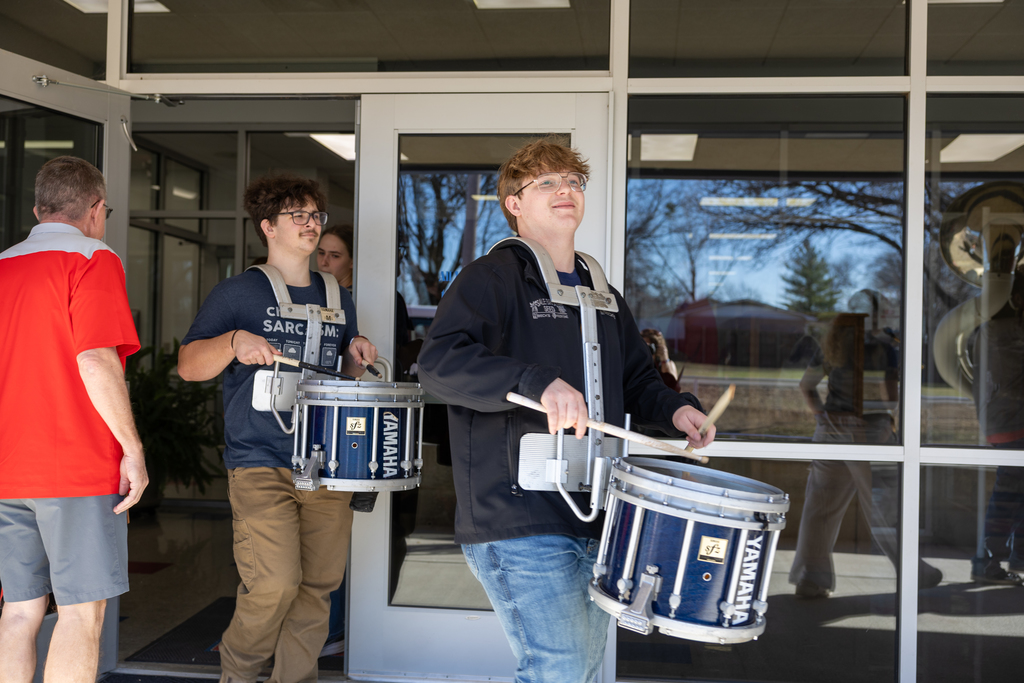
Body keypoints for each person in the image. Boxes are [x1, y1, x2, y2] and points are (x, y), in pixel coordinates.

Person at [417, 139, 715, 683]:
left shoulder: (603, 293)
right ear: (514, 203)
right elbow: (438, 363)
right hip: (518, 517)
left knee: (576, 672)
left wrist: (676, 411)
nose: (565, 192)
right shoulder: (489, 278)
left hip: (598, 514)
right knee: (561, 670)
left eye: (573, 182)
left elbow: (637, 380)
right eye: (547, 183)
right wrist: (535, 383)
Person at [178, 174, 377, 683]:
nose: (311, 225)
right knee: (274, 585)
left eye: (316, 216)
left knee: (316, 589)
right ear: (268, 226)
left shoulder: (337, 294)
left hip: (328, 466)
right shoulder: (237, 293)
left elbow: (342, 374)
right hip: (260, 462)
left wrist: (358, 356)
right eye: (298, 216)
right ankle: (238, 676)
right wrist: (232, 342)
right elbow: (188, 365)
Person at [0, 156, 148, 683]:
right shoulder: (92, 258)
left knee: (19, 610)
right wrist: (132, 448)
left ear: (40, 210)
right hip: (74, 468)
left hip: (8, 469)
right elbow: (96, 359)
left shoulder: (3, 264)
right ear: (94, 209)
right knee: (83, 611)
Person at [790, 298, 942, 597]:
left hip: (831, 428)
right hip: (869, 430)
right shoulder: (882, 349)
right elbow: (890, 401)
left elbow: (806, 386)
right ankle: (914, 571)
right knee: (884, 507)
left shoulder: (830, 347)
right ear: (872, 319)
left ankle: (810, 579)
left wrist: (823, 416)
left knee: (820, 508)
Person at [970, 264, 1024, 585]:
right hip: (1012, 423)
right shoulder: (1004, 331)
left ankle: (1001, 560)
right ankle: (990, 561)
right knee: (1008, 495)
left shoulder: (993, 329)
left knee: (1010, 493)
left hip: (1001, 423)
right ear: (1016, 297)